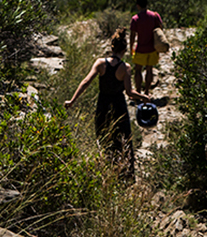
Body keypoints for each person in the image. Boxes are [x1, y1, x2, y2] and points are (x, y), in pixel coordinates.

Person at [65, 28, 152, 179]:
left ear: (112, 47)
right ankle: (126, 176)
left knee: (104, 139)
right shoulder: (125, 68)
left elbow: (86, 82)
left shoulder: (100, 63)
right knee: (123, 140)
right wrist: (144, 97)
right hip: (119, 107)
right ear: (124, 49)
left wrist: (72, 101)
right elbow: (129, 92)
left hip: (103, 105)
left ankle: (106, 172)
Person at [129, 0, 165, 96]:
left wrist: (131, 47)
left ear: (137, 5)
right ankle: (147, 92)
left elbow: (132, 35)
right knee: (149, 70)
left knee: (138, 70)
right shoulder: (154, 16)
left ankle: (138, 91)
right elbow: (160, 29)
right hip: (152, 48)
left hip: (140, 48)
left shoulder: (135, 19)